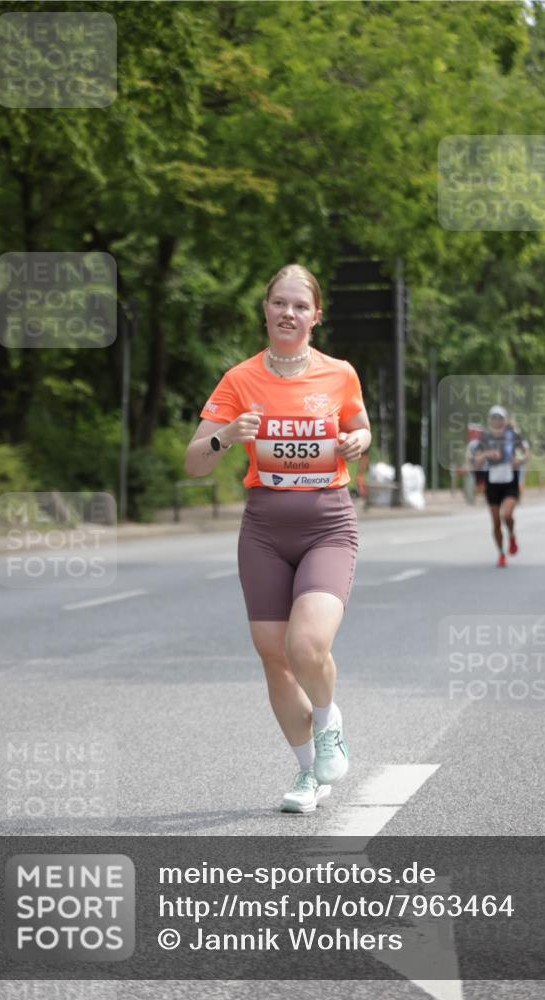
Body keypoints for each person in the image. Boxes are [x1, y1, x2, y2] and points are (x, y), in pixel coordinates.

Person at [184, 264, 371, 813]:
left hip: (327, 523)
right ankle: (309, 775)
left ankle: (329, 722)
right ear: (265, 310)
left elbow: (360, 426)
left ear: (317, 315)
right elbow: (194, 462)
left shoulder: (339, 374)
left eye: (299, 305)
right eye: (279, 303)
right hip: (264, 528)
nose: (288, 313)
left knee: (306, 645)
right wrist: (224, 436)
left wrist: (357, 439)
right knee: (275, 659)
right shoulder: (240, 379)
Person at [474, 405, 528, 567]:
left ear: (504, 420)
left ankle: (511, 535)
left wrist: (519, 460)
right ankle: (501, 553)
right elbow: (476, 460)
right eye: (494, 418)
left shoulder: (513, 436)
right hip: (492, 482)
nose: (497, 421)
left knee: (507, 515)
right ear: (490, 420)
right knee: (496, 521)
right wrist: (486, 454)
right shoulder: (484, 438)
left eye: (500, 418)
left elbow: (526, 454)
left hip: (509, 481)